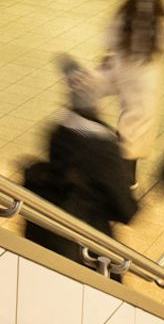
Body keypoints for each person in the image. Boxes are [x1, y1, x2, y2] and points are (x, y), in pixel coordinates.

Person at [22, 57, 138, 271]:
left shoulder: (57, 131)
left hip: (52, 237)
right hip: (88, 241)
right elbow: (124, 208)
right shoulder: (104, 144)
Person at [104, 0, 164, 185]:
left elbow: (110, 36)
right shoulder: (158, 16)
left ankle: (123, 171)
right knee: (136, 126)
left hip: (124, 71)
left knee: (128, 118)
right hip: (145, 79)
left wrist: (111, 58)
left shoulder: (127, 10)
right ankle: (126, 177)